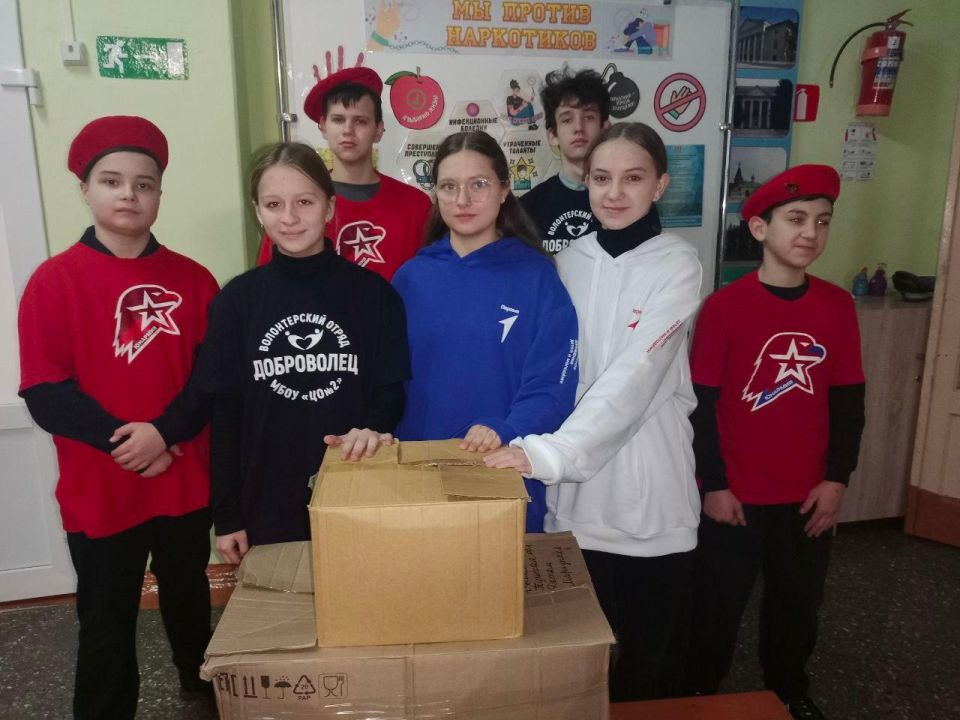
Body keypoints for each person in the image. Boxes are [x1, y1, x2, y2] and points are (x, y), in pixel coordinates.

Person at [485, 122, 703, 701]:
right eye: (601, 178)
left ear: (659, 185)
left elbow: (638, 375)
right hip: (577, 504)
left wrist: (550, 453)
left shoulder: (679, 264)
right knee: (580, 667)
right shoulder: (567, 262)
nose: (615, 193)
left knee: (650, 669)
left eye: (633, 178)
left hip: (649, 500)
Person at [17, 116, 219, 718]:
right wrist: (130, 444)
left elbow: (210, 381)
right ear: (85, 188)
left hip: (183, 479)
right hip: (102, 486)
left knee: (189, 597)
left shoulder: (194, 280)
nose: (129, 194)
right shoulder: (54, 282)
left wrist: (166, 435)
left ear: (159, 193)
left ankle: (199, 688)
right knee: (105, 619)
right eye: (112, 181)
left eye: (144, 183)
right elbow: (46, 391)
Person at [684, 165, 865, 720]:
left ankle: (789, 689)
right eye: (796, 219)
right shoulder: (724, 308)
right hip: (735, 496)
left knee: (797, 606)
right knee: (715, 606)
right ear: (760, 229)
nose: (810, 232)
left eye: (822, 221)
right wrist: (714, 485)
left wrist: (837, 479)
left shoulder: (837, 306)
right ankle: (698, 692)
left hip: (806, 497)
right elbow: (701, 407)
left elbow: (848, 403)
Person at [196, 142, 410, 564]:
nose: (289, 218)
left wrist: (371, 428)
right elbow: (225, 416)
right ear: (258, 212)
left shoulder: (375, 295)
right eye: (274, 204)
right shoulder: (236, 301)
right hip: (265, 502)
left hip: (355, 489)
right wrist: (227, 515)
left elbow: (391, 392)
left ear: (330, 208)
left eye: (305, 202)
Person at [392, 130, 578, 533]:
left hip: (503, 470)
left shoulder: (537, 278)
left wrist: (506, 428)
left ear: (504, 190)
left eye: (478, 184)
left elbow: (554, 384)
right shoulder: (410, 279)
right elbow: (389, 385)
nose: (462, 200)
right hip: (421, 475)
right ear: (435, 194)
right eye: (449, 186)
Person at [256, 60, 431, 280]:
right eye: (338, 119)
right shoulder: (298, 204)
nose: (348, 130)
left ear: (378, 130)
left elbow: (429, 280)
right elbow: (269, 282)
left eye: (360, 121)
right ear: (323, 125)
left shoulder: (415, 205)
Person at [520, 66, 610, 254]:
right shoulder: (527, 207)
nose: (578, 127)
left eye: (588, 117)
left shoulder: (625, 201)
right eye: (567, 120)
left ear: (605, 128)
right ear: (552, 135)